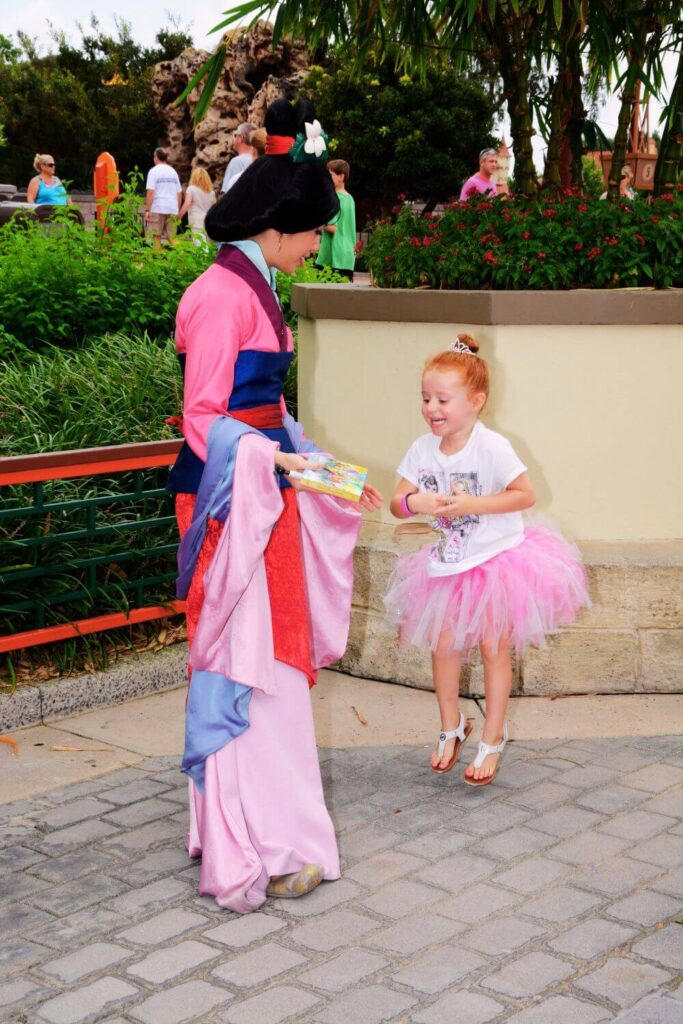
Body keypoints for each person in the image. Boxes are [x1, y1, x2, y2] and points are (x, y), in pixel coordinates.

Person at [167, 98, 382, 913]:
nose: (319, 246)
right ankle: (252, 837)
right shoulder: (222, 296)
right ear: (275, 230)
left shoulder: (250, 285)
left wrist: (323, 468)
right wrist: (282, 462)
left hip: (259, 490)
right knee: (247, 667)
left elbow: (264, 410)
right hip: (230, 503)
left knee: (272, 666)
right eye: (312, 233)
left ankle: (270, 827)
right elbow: (202, 418)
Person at [384, 335, 589, 786]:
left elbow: (524, 494)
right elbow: (396, 501)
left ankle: (493, 735)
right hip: (447, 564)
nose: (431, 408)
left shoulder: (492, 446)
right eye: (425, 398)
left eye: (443, 399)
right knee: (444, 646)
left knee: (494, 647)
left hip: (497, 563)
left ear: (476, 401)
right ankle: (450, 724)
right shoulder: (422, 449)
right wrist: (417, 501)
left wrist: (471, 506)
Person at [315, 159, 357, 282]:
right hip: (347, 256)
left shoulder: (333, 198)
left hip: (332, 257)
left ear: (341, 177)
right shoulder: (349, 198)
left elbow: (332, 227)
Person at [145, 148, 182, 250]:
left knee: (156, 237)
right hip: (172, 208)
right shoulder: (173, 172)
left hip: (158, 207)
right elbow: (179, 192)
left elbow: (151, 192)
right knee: (172, 237)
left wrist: (147, 209)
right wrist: (177, 209)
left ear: (156, 158)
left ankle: (158, 261)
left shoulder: (153, 171)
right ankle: (183, 257)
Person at [178, 167, 216, 244]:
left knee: (199, 243)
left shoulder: (191, 189)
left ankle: (203, 256)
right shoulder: (211, 192)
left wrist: (179, 217)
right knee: (207, 243)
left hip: (196, 220)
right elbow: (214, 208)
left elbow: (187, 204)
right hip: (208, 219)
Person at [220, 122, 256, 193]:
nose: (234, 138)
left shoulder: (236, 162)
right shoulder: (260, 160)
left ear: (241, 139)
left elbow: (228, 194)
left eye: (235, 135)